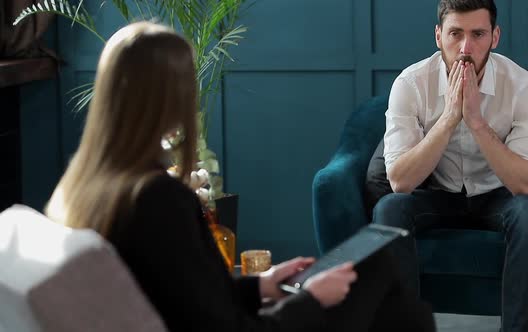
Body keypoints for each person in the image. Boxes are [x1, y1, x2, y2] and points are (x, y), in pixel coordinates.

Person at [45, 22, 435, 332]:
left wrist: (262, 284)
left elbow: (183, 295)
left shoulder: (81, 190)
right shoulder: (157, 199)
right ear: (169, 98)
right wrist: (310, 300)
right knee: (376, 273)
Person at [372, 0, 528, 331]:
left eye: (478, 34)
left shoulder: (523, 86)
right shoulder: (410, 84)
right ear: (438, 35)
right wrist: (450, 117)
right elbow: (400, 182)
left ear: (495, 37)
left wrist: (477, 122)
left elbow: (524, 185)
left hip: (498, 194)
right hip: (438, 193)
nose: (466, 47)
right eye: (455, 33)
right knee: (390, 208)